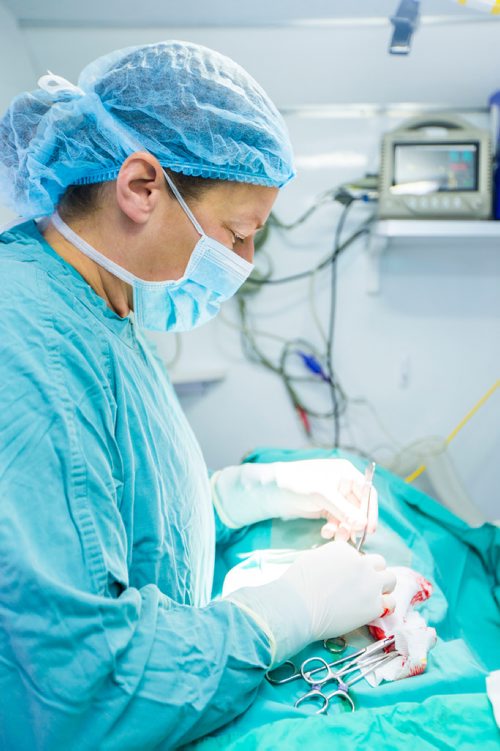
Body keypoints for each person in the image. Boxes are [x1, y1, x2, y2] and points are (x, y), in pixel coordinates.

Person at [0, 41, 396, 750]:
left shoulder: (102, 309)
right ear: (141, 187)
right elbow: (77, 691)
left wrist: (248, 493)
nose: (242, 264)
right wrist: (285, 612)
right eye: (238, 234)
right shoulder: (26, 343)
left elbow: (115, 509)